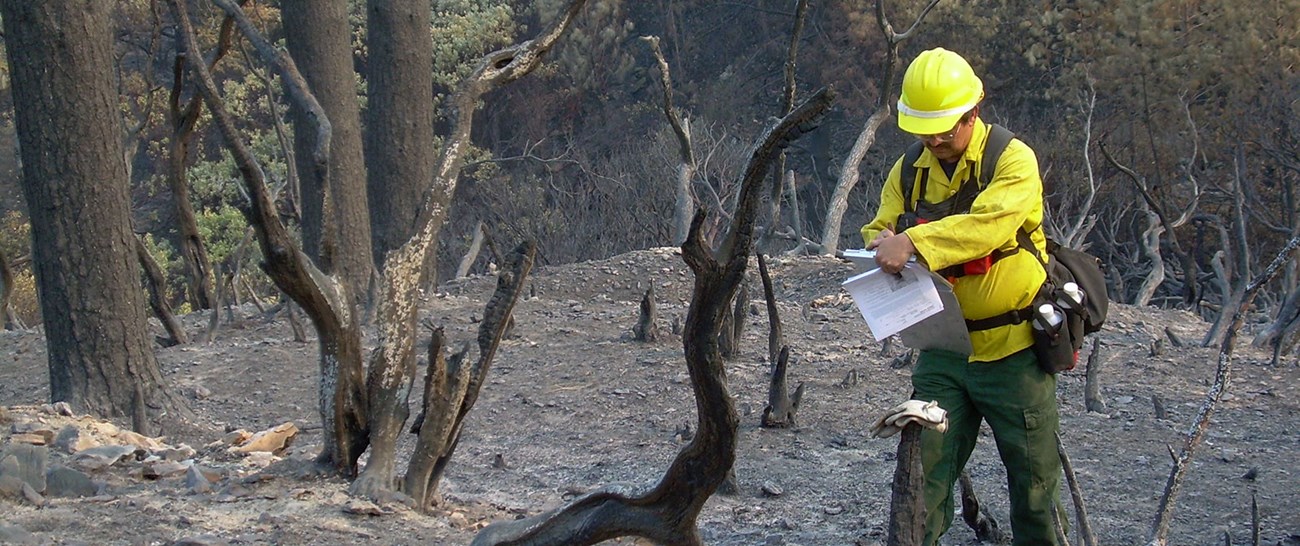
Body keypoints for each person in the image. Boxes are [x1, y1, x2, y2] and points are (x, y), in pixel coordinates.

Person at [862, 47, 1064, 545]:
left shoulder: (1013, 160)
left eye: (944, 129)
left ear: (972, 112)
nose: (933, 139)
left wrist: (912, 242)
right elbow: (880, 223)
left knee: (1034, 488)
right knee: (923, 478)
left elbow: (987, 228)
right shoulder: (909, 169)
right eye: (923, 129)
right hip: (943, 351)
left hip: (1014, 352)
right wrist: (878, 242)